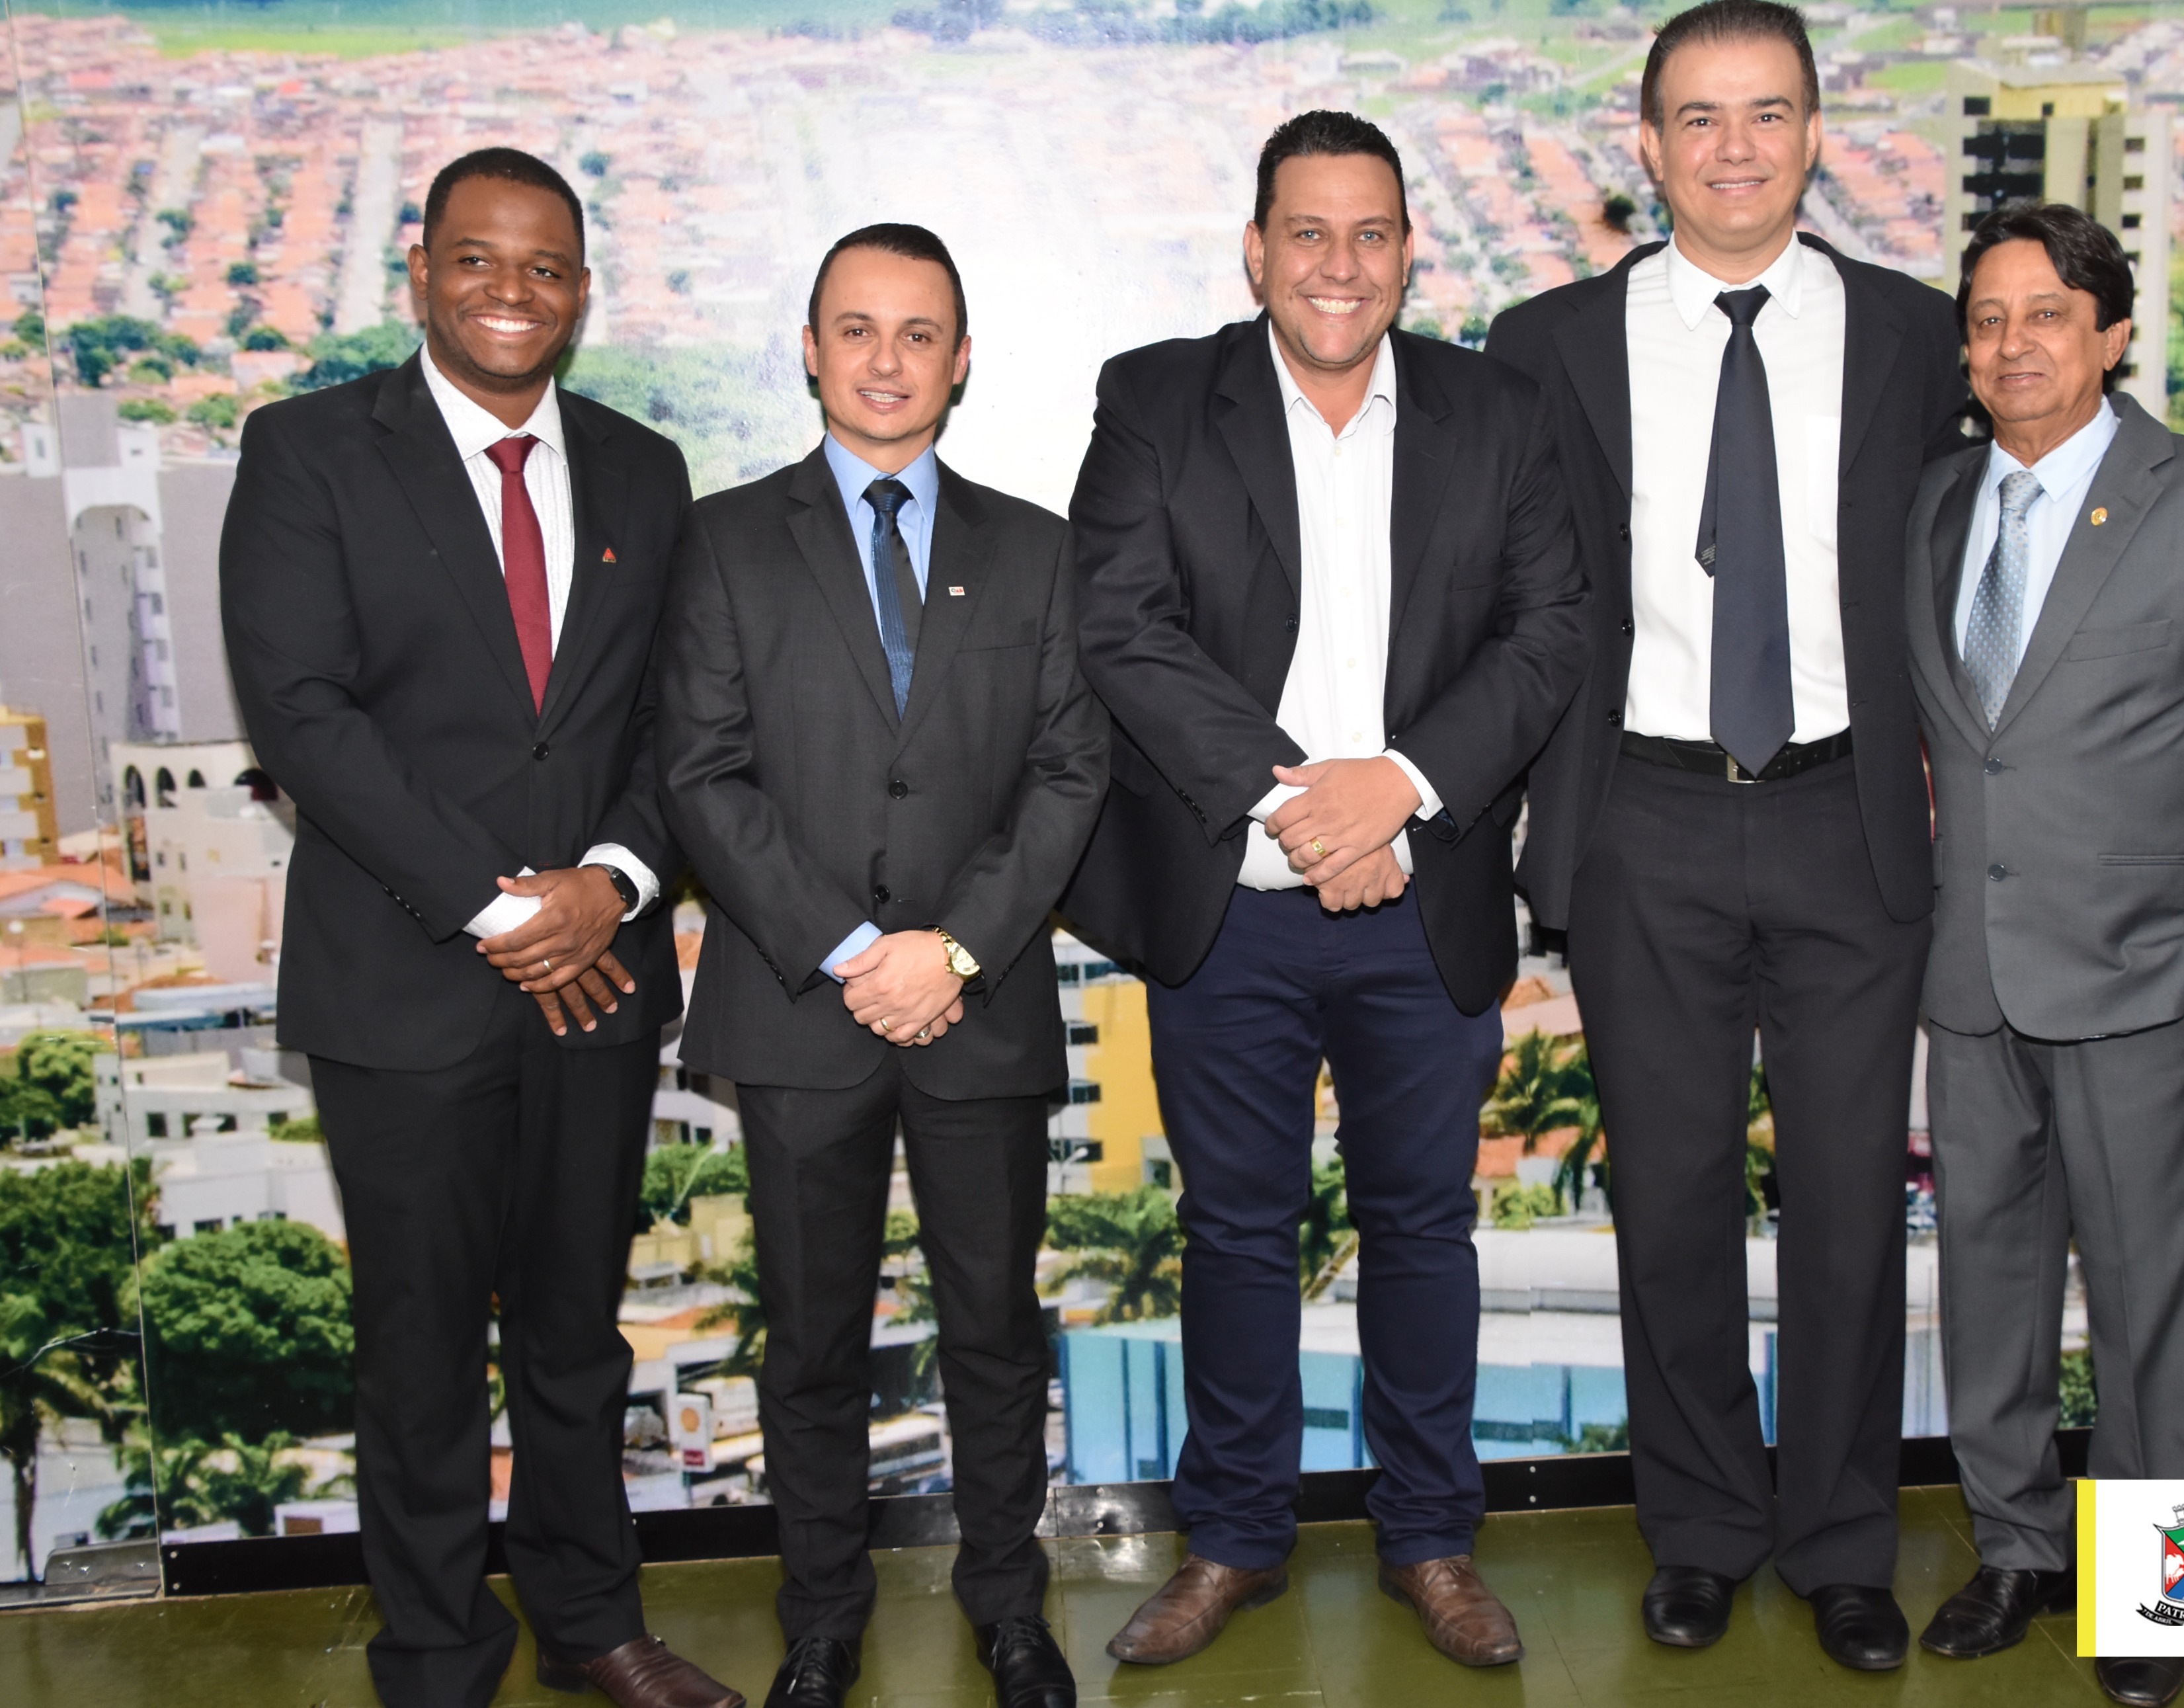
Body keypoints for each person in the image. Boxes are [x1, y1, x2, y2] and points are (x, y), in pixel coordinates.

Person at [1065, 110, 1587, 1670]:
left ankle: (1430, 1535)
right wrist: (1310, 804)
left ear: (1409, 252)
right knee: (1234, 1232)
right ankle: (1234, 1537)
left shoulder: (1498, 412)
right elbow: (1122, 620)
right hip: (1230, 904)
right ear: (1256, 249)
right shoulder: (1158, 400)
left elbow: (1551, 628)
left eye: (1370, 234)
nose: (1338, 264)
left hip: (1423, 899)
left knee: (1422, 1229)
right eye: (1307, 232)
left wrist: (1401, 785)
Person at [220, 149, 740, 1708]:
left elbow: (675, 722)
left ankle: (591, 1622)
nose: (510, 290)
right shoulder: (308, 450)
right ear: (423, 274)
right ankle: (438, 1657)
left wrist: (612, 883)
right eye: (476, 259)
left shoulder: (644, 470)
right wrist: (500, 905)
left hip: (599, 976)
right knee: (422, 1349)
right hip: (405, 981)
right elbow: (303, 715)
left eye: (544, 265)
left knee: (578, 1334)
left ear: (580, 289)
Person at [1485, 0, 1968, 1671]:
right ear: (1647, 145)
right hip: (1645, 813)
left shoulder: (1914, 334)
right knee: (1672, 1198)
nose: (1735, 147)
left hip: (1850, 811)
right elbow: (1514, 594)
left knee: (1848, 1205)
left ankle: (1841, 1541)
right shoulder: (1547, 342)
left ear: (1816, 134)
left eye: (1768, 113)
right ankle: (1696, 1526)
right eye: (1698, 117)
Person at [655, 225, 1104, 1708]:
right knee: (810, 1343)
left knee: (992, 1332)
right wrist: (859, 952)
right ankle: (822, 1622)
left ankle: (1012, 1611)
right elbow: (702, 774)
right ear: (809, 349)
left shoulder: (1036, 547)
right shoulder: (724, 540)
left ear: (961, 360)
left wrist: (953, 947)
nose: (887, 360)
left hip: (979, 1002)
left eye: (919, 333)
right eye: (857, 328)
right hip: (803, 1005)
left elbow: (1069, 770)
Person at [1905, 201, 2184, 1708]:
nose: (2012, 345)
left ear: (2113, 335)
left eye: (2046, 315)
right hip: (1972, 978)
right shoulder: (1937, 505)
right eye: (1987, 319)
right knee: (1987, 1288)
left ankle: (2166, 1587)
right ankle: (2018, 1548)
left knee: (2152, 1308)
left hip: (2153, 982)